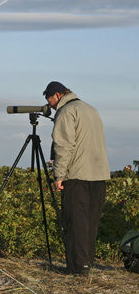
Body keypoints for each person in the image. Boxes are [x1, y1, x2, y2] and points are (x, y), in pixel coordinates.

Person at [43, 81, 110, 275]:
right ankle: (86, 263)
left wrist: (59, 175)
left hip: (77, 174)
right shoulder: (91, 109)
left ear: (56, 95)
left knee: (75, 222)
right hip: (98, 174)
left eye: (49, 101)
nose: (50, 106)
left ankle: (77, 268)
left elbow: (64, 146)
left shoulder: (66, 112)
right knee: (90, 222)